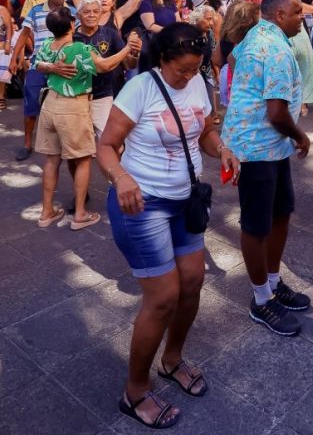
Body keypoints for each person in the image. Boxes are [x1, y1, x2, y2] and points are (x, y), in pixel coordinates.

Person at [97, 23, 240, 430]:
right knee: (163, 297)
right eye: (183, 70)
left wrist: (223, 149)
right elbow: (105, 146)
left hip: (185, 203)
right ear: (163, 61)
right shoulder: (140, 88)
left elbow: (206, 131)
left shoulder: (198, 82)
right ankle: (135, 391)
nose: (190, 76)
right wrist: (121, 178)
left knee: (193, 281)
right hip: (142, 203)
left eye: (196, 69)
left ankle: (172, 359)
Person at [221, 0, 311, 337]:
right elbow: (276, 112)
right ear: (278, 15)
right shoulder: (272, 46)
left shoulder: (257, 32)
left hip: (270, 146)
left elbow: (233, 60)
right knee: (256, 225)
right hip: (256, 148)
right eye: (298, 12)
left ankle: (273, 282)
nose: (302, 17)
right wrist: (301, 136)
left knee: (281, 212)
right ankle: (261, 299)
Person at [33, 7, 139, 230]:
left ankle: (46, 212)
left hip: (49, 105)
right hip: (72, 107)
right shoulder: (79, 48)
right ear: (72, 25)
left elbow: (35, 64)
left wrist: (50, 67)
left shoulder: (46, 45)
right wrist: (127, 48)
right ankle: (80, 214)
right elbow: (104, 66)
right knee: (82, 159)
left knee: (51, 160)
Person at [10, 0, 74, 161]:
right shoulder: (36, 10)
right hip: (39, 62)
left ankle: (66, 142)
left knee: (67, 101)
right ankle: (27, 143)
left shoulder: (71, 11)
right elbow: (24, 34)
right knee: (31, 100)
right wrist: (16, 58)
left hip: (64, 62)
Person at [73, 0, 140, 139]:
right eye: (87, 12)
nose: (92, 15)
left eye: (95, 12)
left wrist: (134, 53)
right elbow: (102, 66)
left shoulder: (110, 33)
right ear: (78, 15)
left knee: (109, 140)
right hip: (77, 98)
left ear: (100, 14)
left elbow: (129, 65)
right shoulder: (72, 38)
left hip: (103, 96)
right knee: (79, 145)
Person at [212, 1, 259, 107]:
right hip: (242, 81)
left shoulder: (225, 34)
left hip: (227, 78)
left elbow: (216, 59)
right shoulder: (250, 36)